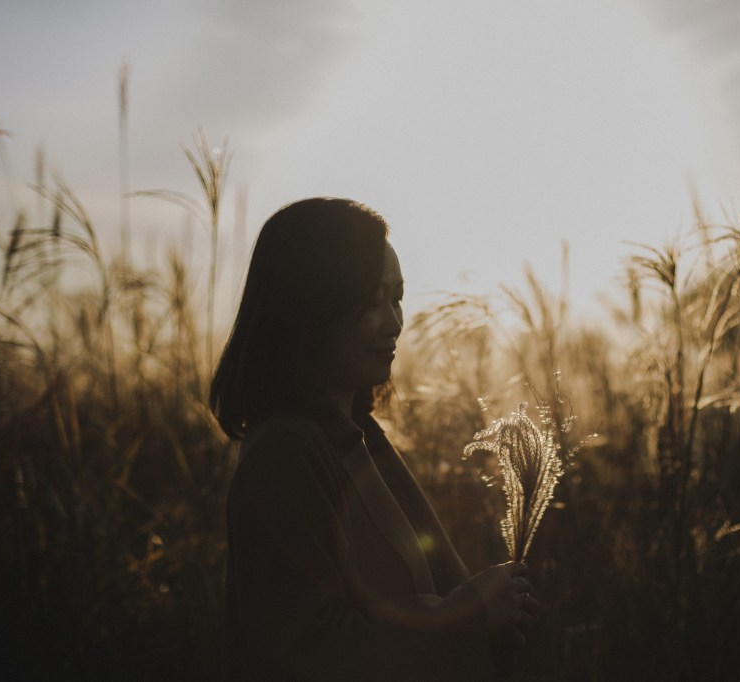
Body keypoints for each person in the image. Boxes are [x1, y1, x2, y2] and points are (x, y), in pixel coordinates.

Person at [210, 197, 538, 680]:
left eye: (397, 297)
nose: (394, 323)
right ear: (311, 306)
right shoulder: (283, 457)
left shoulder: (357, 438)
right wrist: (471, 616)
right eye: (370, 301)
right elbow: (310, 653)